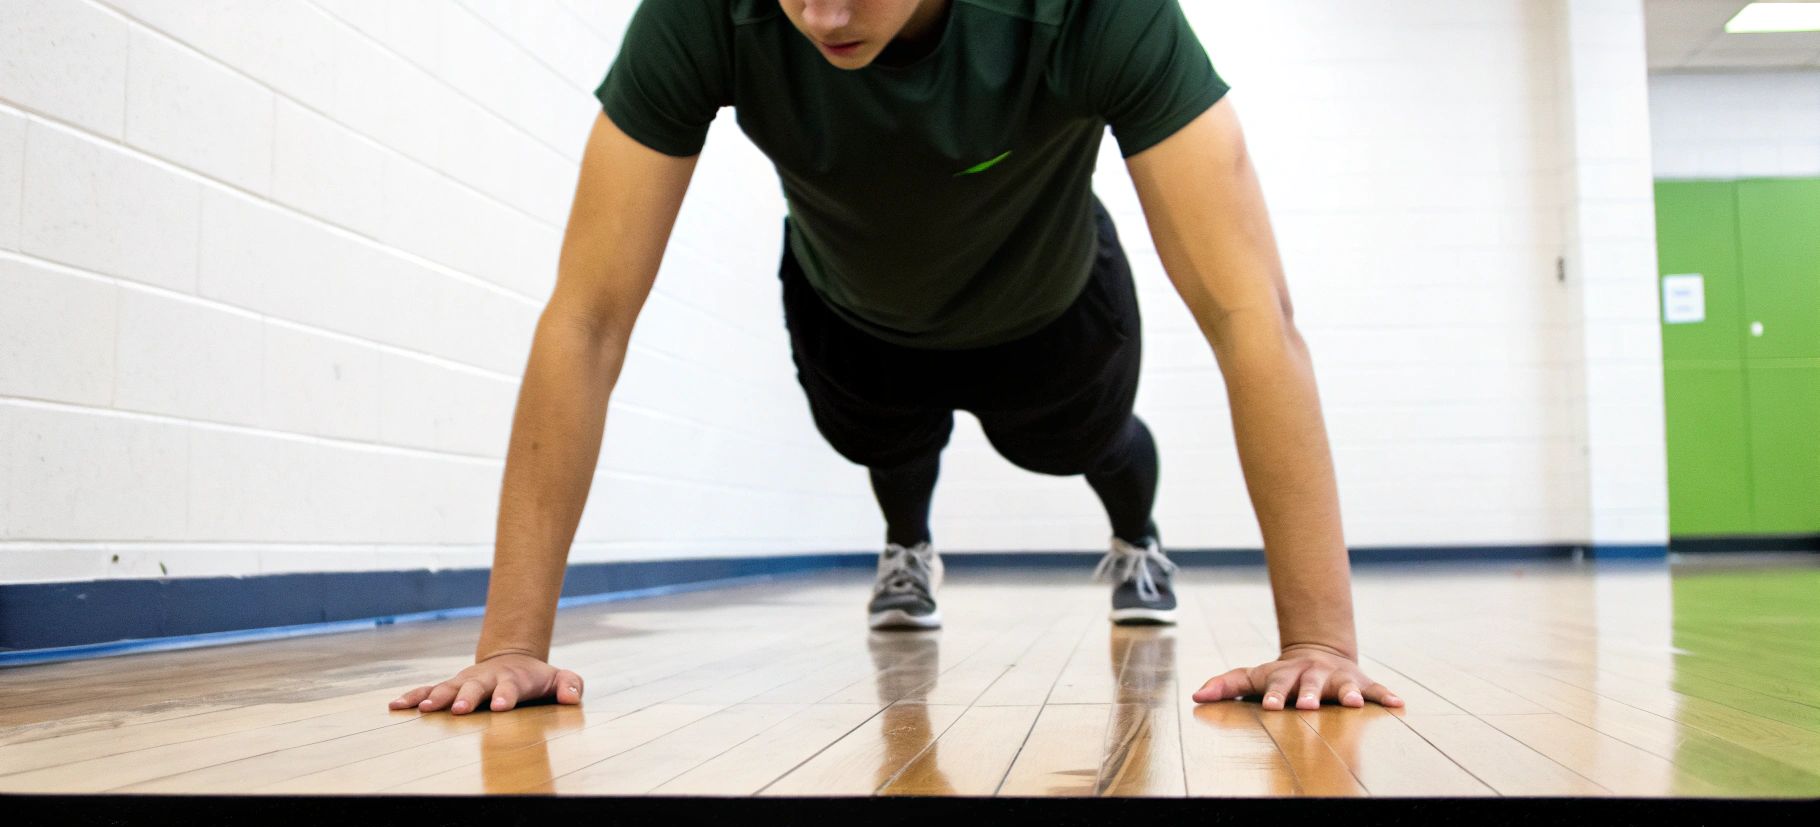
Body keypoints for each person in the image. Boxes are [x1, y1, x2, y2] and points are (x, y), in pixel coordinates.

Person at [390, 0, 1404, 718]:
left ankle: (1135, 535)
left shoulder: (1091, 13)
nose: (824, 17)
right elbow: (587, 318)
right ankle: (906, 549)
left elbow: (1249, 314)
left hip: (1046, 305)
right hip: (854, 305)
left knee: (1080, 442)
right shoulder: (702, 13)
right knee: (880, 434)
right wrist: (512, 647)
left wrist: (1318, 641)